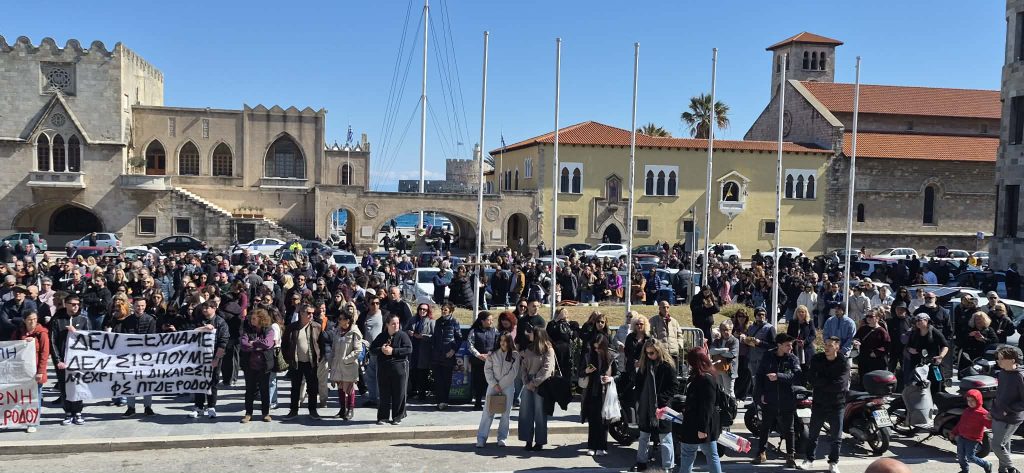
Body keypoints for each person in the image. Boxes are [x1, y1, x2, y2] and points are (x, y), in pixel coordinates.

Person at [803, 336, 850, 473]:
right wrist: (827, 383)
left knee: (836, 437)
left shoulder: (843, 362)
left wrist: (821, 382)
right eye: (826, 344)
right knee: (813, 435)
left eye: (830, 345)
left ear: (837, 347)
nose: (827, 347)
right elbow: (811, 378)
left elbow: (840, 385)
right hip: (819, 402)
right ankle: (809, 460)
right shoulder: (817, 359)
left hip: (837, 404)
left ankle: (833, 462)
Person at [753, 333, 801, 467]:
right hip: (770, 399)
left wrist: (779, 376)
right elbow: (760, 376)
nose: (790, 347)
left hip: (787, 399)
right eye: (787, 345)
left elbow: (797, 377)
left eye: (791, 345)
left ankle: (790, 455)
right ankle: (761, 453)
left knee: (789, 430)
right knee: (765, 427)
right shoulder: (768, 356)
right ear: (779, 345)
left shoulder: (793, 358)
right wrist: (760, 394)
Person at [630, 340, 676, 472]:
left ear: (659, 350)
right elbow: (638, 384)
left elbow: (674, 386)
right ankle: (641, 462)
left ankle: (668, 466)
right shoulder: (645, 365)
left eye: (652, 352)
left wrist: (661, 399)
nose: (649, 355)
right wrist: (639, 398)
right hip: (645, 406)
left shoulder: (667, 365)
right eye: (647, 353)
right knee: (644, 436)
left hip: (662, 406)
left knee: (665, 437)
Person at [676, 347, 723, 473]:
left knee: (692, 455)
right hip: (698, 423)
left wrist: (702, 429)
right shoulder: (706, 375)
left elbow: (707, 406)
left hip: (700, 425)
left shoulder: (705, 378)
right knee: (709, 455)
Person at [110, 297, 158, 417]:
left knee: (147, 383)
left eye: (142, 305)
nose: (140, 308)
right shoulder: (127, 320)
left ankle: (148, 407)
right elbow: (124, 338)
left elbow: (151, 338)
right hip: (131, 357)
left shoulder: (151, 319)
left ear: (145, 306)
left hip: (146, 356)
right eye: (138, 305)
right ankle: (131, 408)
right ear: (133, 306)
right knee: (130, 382)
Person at [282, 304, 325, 420]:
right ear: (301, 313)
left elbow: (321, 344)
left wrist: (319, 358)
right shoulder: (292, 327)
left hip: (311, 363)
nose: (311, 315)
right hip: (296, 362)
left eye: (312, 313)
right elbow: (284, 344)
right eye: (308, 313)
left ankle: (313, 410)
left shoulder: (317, 327)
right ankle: (293, 410)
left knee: (312, 388)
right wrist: (288, 358)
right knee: (295, 387)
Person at [476, 333, 519, 448]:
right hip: (492, 385)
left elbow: (513, 373)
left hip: (508, 386)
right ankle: (481, 438)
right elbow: (488, 370)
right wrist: (494, 384)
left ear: (510, 342)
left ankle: (502, 437)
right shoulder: (493, 354)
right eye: (501, 340)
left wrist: (501, 384)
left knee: (506, 413)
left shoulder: (515, 355)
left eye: (505, 341)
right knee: (488, 412)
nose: (502, 343)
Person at [48, 294, 89, 414]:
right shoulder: (57, 319)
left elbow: (89, 339)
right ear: (66, 304)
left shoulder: (83, 319)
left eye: (78, 304)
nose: (76, 306)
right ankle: (67, 412)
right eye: (73, 304)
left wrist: (76, 333)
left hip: (78, 360)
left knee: (78, 385)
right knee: (64, 387)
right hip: (62, 360)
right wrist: (58, 360)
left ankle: (78, 412)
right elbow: (52, 340)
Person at [369, 313, 413, 425]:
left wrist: (393, 351)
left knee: (399, 393)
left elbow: (408, 349)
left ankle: (397, 416)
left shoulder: (403, 335)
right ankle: (383, 417)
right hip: (384, 367)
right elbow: (372, 349)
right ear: (387, 324)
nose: (396, 326)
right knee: (384, 393)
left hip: (399, 367)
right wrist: (381, 350)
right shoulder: (382, 336)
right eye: (393, 324)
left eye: (397, 323)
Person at [189, 300, 229, 419]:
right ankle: (199, 407)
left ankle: (211, 406)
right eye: (203, 308)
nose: (204, 310)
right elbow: (190, 333)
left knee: (213, 382)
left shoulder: (221, 322)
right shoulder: (198, 320)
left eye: (207, 308)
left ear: (214, 308)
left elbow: (223, 342)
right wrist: (203, 328)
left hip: (213, 356)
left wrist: (216, 358)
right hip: (198, 357)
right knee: (199, 381)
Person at [519, 325, 555, 451]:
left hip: (541, 384)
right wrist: (525, 381)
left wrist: (533, 383)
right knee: (525, 413)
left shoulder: (548, 349)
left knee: (540, 413)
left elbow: (547, 370)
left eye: (531, 333)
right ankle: (527, 440)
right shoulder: (529, 348)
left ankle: (539, 442)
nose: (528, 334)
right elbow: (523, 365)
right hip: (528, 381)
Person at [12, 310, 48, 433]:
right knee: (22, 396)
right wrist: (22, 342)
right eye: (29, 319)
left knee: (35, 396)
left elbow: (44, 354)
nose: (32, 322)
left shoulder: (42, 334)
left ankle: (33, 422)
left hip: (36, 371)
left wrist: (41, 371)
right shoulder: (18, 332)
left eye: (34, 319)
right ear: (24, 320)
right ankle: (20, 419)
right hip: (21, 372)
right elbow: (12, 347)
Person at [580, 334, 615, 456]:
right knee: (593, 419)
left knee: (603, 420)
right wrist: (586, 371)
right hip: (591, 391)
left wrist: (610, 378)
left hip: (605, 392)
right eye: (594, 348)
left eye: (598, 348)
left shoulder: (610, 357)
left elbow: (619, 374)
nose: (596, 350)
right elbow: (580, 371)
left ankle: (601, 446)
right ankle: (591, 446)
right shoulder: (589, 356)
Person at [239, 308, 275, 423]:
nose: (251, 320)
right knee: (249, 390)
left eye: (254, 318)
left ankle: (266, 413)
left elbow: (268, 344)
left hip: (264, 365)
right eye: (251, 318)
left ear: (261, 319)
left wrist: (253, 343)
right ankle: (248, 413)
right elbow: (244, 344)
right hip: (250, 365)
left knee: (264, 390)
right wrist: (258, 346)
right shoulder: (247, 329)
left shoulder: (269, 329)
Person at [991, 345, 1024, 473]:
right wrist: (993, 411)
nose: (998, 361)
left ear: (1012, 360)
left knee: (996, 445)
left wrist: (1009, 409)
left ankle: (1011, 468)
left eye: (1001, 359)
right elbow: (999, 394)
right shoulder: (1003, 373)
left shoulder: (1020, 376)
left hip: (1011, 417)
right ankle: (1003, 470)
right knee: (1004, 444)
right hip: (998, 414)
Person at [905, 313, 949, 397]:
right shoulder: (914, 332)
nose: (917, 322)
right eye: (916, 320)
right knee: (917, 385)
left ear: (927, 320)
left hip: (932, 362)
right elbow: (908, 346)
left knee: (936, 385)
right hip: (917, 363)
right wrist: (910, 350)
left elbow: (945, 346)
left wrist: (941, 356)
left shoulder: (934, 332)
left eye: (920, 320)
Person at [950, 389, 993, 473]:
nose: (970, 402)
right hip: (962, 437)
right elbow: (960, 423)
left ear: (978, 400)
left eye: (972, 400)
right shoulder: (967, 411)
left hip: (973, 439)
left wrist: (990, 419)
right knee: (960, 455)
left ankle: (986, 464)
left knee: (970, 457)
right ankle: (964, 470)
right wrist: (954, 432)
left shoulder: (983, 413)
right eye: (968, 400)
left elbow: (989, 426)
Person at [431, 302, 462, 411]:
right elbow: (435, 337)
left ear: (450, 311)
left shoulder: (454, 322)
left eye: (445, 310)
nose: (443, 312)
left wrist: (453, 350)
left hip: (448, 355)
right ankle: (439, 401)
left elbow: (459, 338)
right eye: (442, 309)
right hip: (437, 355)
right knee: (438, 380)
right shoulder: (438, 321)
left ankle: (444, 401)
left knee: (446, 380)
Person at [467, 311, 498, 410]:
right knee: (478, 382)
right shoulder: (474, 331)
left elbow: (498, 344)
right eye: (489, 320)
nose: (491, 322)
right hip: (478, 361)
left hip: (491, 361)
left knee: (490, 382)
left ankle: (489, 403)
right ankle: (477, 403)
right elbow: (470, 344)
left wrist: (491, 354)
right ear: (482, 321)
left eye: (492, 320)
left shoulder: (494, 330)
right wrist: (478, 355)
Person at [405, 302, 434, 401]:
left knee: (422, 373)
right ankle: (413, 391)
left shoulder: (431, 321)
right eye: (421, 309)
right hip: (413, 349)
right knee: (413, 371)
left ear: (428, 311)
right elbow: (404, 331)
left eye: (425, 310)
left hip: (424, 351)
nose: (422, 311)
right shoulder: (413, 320)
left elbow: (434, 337)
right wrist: (408, 332)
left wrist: (422, 336)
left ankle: (422, 394)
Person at [854, 309, 891, 381]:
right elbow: (856, 338)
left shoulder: (881, 331)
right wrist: (856, 342)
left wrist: (876, 352)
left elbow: (887, 345)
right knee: (863, 380)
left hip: (876, 361)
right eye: (867, 316)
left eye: (871, 316)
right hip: (863, 359)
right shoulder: (863, 328)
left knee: (875, 382)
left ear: (877, 318)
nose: (868, 318)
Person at [709, 320, 739, 398]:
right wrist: (724, 350)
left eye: (727, 329)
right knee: (720, 391)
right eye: (722, 329)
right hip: (717, 368)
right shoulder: (717, 340)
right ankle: (722, 408)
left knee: (729, 392)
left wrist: (718, 352)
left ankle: (732, 408)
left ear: (731, 329)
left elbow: (732, 354)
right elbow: (711, 351)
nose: (725, 332)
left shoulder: (735, 341)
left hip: (729, 370)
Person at [787, 305, 816, 372]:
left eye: (803, 312)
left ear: (806, 313)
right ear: (796, 313)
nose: (801, 314)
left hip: (807, 349)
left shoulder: (810, 322)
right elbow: (788, 335)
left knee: (806, 368)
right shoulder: (792, 322)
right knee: (796, 367)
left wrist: (804, 341)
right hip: (795, 348)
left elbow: (813, 335)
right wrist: (794, 340)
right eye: (799, 312)